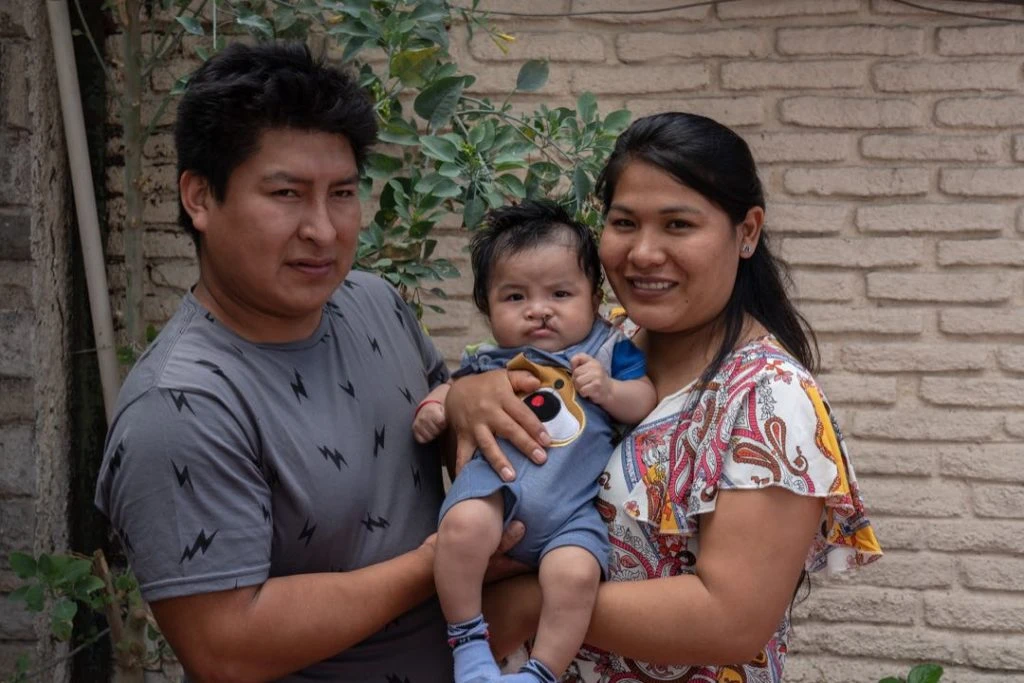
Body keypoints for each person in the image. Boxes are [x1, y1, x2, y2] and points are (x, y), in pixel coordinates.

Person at [92, 42, 522, 681]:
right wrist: (442, 562)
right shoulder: (181, 405)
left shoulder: (372, 301)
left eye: (341, 193)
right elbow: (226, 646)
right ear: (200, 197)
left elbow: (440, 430)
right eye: (287, 193)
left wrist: (465, 397)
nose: (322, 229)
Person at [446, 112, 883, 682]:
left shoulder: (767, 398)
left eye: (678, 224)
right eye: (624, 222)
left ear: (747, 231)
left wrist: (528, 602)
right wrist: (464, 397)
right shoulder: (607, 340)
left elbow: (732, 619)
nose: (644, 253)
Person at [413, 200, 657, 683]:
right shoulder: (491, 358)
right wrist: (435, 407)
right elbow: (454, 389)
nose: (539, 310)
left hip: (572, 512)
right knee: (460, 529)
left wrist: (610, 391)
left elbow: (645, 397)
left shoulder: (609, 348)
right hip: (495, 491)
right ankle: (468, 641)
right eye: (515, 297)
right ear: (486, 306)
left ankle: (542, 671)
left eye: (560, 293)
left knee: (577, 576)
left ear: (594, 297)